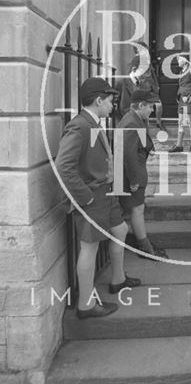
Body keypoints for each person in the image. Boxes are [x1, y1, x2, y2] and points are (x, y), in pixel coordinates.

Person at [55, 77, 141, 320]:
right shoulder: (79, 126)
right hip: (92, 197)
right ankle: (85, 305)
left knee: (121, 229)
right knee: (89, 248)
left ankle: (118, 279)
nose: (113, 106)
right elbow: (63, 167)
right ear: (98, 100)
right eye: (111, 101)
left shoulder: (93, 123)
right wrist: (86, 198)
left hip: (106, 194)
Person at [118, 89, 168, 259]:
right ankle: (145, 248)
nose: (152, 110)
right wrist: (133, 180)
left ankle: (143, 243)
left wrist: (150, 148)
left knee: (137, 208)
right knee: (137, 209)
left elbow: (141, 140)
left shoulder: (137, 118)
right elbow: (128, 155)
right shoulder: (131, 123)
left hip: (135, 171)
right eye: (150, 107)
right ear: (140, 105)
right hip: (130, 175)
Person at [118, 43, 165, 130]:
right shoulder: (137, 59)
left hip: (149, 89)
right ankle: (149, 131)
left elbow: (151, 74)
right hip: (144, 90)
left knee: (151, 110)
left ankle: (156, 125)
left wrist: (155, 85)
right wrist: (138, 88)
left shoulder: (144, 60)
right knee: (144, 114)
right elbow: (132, 75)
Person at [169, 54, 191, 153]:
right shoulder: (182, 71)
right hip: (181, 100)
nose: (178, 62)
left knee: (190, 122)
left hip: (189, 100)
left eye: (179, 60)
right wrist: (179, 95)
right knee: (180, 122)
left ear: (185, 60)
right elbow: (182, 85)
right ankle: (179, 145)